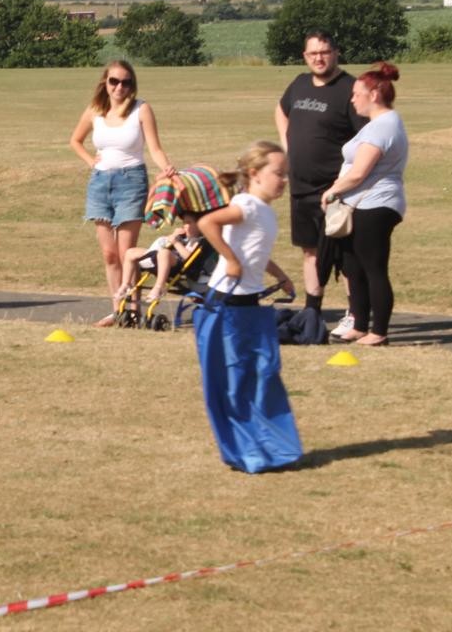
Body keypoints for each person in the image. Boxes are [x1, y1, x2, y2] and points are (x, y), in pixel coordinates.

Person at [195, 141, 299, 473]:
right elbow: (207, 223)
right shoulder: (247, 206)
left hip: (249, 305)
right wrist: (229, 259)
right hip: (228, 306)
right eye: (278, 173)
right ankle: (247, 450)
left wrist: (280, 275)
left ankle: (266, 446)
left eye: (286, 174)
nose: (284, 180)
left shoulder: (264, 210)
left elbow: (256, 250)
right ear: (254, 174)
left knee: (261, 376)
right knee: (238, 381)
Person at [69, 60, 175, 326]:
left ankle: (133, 310)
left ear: (132, 85)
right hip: (100, 183)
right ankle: (118, 310)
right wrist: (90, 161)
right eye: (114, 81)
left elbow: (155, 148)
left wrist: (167, 168)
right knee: (109, 254)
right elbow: (75, 140)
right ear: (105, 83)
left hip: (131, 182)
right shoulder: (95, 110)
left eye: (126, 82)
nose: (119, 87)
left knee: (126, 251)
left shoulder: (141, 109)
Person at [274, 31, 364, 335]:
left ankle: (356, 314)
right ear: (305, 56)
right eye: (313, 53)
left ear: (336, 53)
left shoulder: (350, 88)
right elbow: (281, 110)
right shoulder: (299, 83)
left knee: (345, 255)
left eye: (324, 52)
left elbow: (366, 137)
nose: (319, 58)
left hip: (335, 189)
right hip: (301, 186)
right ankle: (312, 311)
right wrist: (287, 143)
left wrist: (345, 180)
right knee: (310, 251)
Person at [320, 63, 408, 347]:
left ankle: (378, 332)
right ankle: (359, 325)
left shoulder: (382, 127)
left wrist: (332, 192)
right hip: (360, 204)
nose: (352, 99)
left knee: (373, 267)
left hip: (375, 205)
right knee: (353, 265)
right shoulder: (379, 124)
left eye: (357, 94)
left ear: (374, 94)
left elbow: (359, 173)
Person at [117, 215, 202, 303]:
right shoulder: (182, 236)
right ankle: (125, 284)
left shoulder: (198, 240)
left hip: (176, 263)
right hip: (160, 256)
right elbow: (166, 243)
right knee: (130, 252)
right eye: (184, 223)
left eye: (188, 223)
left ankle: (159, 287)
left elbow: (189, 257)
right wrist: (174, 235)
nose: (185, 226)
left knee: (164, 253)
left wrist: (176, 243)